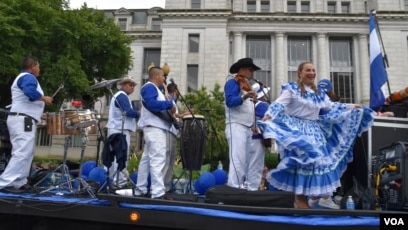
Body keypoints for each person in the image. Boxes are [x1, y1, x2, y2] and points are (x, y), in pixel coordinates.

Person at [258, 62, 374, 208]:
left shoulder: (318, 94)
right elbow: (278, 104)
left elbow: (331, 106)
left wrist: (351, 106)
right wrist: (267, 117)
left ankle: (309, 199)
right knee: (302, 163)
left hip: (314, 132)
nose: (312, 73)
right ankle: (300, 199)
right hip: (298, 130)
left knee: (317, 165)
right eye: (308, 70)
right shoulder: (292, 89)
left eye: (313, 70)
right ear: (300, 73)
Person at [0, 56, 53, 192]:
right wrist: (44, 98)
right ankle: (4, 182)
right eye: (38, 67)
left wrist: (38, 113)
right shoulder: (28, 77)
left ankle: (19, 182)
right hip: (24, 120)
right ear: (33, 66)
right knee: (22, 152)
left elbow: (25, 101)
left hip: (23, 118)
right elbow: (30, 93)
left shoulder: (23, 77)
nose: (39, 69)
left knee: (26, 152)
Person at [135, 67, 177, 199]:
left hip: (154, 128)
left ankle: (140, 189)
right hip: (154, 128)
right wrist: (168, 104)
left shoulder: (156, 89)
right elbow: (152, 104)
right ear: (157, 76)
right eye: (163, 76)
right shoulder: (149, 87)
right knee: (157, 160)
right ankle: (158, 192)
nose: (164, 79)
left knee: (146, 160)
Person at [224, 57, 261, 190]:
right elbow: (230, 102)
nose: (252, 73)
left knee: (244, 161)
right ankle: (233, 188)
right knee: (237, 159)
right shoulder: (232, 83)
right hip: (236, 125)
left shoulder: (245, 86)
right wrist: (244, 96)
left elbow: (248, 109)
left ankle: (238, 187)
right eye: (250, 70)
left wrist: (254, 124)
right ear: (242, 70)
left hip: (246, 127)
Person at [105, 76, 140, 188]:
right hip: (120, 130)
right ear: (123, 85)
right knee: (121, 156)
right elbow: (128, 112)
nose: (132, 88)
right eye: (130, 85)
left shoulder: (119, 96)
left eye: (133, 86)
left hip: (117, 129)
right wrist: (140, 113)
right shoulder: (122, 96)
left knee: (115, 156)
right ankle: (119, 183)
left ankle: (113, 181)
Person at [163, 82, 192, 193]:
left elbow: (175, 116)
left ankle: (166, 186)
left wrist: (182, 115)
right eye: (178, 90)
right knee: (167, 160)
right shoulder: (170, 98)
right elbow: (171, 113)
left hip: (174, 132)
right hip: (169, 131)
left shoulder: (173, 101)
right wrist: (184, 115)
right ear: (175, 90)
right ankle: (163, 187)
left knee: (170, 160)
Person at [250, 82, 270, 191]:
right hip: (257, 139)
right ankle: (253, 190)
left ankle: (248, 188)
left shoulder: (250, 105)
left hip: (248, 139)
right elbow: (268, 121)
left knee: (249, 165)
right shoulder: (262, 105)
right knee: (257, 166)